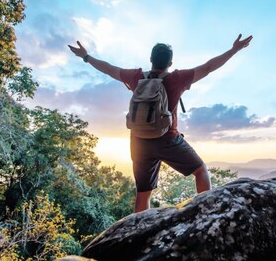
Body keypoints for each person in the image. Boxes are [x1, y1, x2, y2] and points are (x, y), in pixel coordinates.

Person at [68, 34, 253, 213]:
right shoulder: (177, 78)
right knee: (201, 171)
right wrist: (234, 50)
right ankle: (206, 214)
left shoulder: (137, 77)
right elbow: (209, 67)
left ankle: (138, 233)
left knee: (143, 194)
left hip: (139, 142)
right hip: (168, 139)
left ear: (151, 59)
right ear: (170, 64)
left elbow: (109, 68)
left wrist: (86, 56)